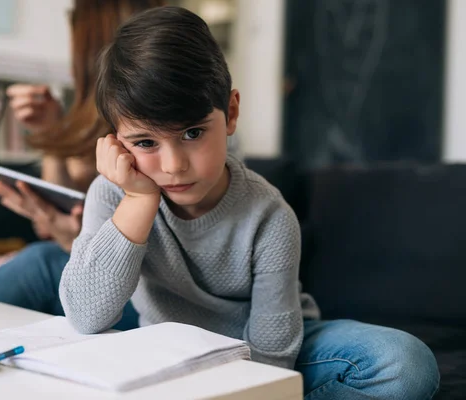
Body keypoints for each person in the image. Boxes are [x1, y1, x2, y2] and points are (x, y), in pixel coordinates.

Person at [59, 6, 440, 399]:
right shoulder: (113, 194)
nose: (173, 166)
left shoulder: (269, 216)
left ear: (231, 113)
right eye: (145, 143)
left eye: (192, 133)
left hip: (270, 348)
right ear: (116, 143)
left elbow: (272, 361)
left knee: (403, 363)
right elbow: (86, 317)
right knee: (36, 267)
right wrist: (139, 200)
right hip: (171, 353)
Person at [0, 0, 164, 327]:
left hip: (148, 293)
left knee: (40, 264)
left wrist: (76, 241)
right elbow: (57, 220)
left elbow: (160, 253)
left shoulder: (158, 131)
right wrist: (52, 134)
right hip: (104, 276)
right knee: (40, 258)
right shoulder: (101, 126)